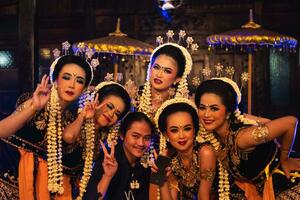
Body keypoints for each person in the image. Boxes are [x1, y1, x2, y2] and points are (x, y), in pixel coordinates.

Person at [0, 55, 93, 199]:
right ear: (55, 80)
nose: (72, 85)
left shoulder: (70, 120)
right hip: (7, 187)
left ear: (84, 89)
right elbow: (2, 130)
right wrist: (34, 107)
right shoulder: (33, 101)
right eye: (66, 77)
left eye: (79, 81)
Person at [194, 77, 300, 199]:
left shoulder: (242, 138)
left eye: (214, 108)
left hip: (284, 181)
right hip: (253, 187)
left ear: (228, 112)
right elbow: (268, 121)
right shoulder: (214, 133)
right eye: (202, 108)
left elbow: (290, 122)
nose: (206, 114)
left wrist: (284, 158)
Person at [62, 81, 131, 199]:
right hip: (56, 184)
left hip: (79, 192)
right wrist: (82, 116)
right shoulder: (73, 117)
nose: (111, 114)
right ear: (97, 100)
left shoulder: (106, 139)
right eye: (109, 106)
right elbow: (68, 137)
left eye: (117, 113)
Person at [151, 98, 216, 200]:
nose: (181, 136)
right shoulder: (169, 158)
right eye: (174, 130)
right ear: (166, 134)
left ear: (194, 130)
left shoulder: (205, 153)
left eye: (187, 129)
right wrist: (162, 179)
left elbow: (204, 197)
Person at [83, 111, 156, 200]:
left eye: (146, 138)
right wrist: (107, 176)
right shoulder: (109, 159)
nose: (141, 143)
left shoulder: (150, 164)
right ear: (122, 135)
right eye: (135, 136)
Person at [137, 42, 192, 120]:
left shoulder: (183, 107)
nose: (159, 75)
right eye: (156, 67)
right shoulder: (134, 100)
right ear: (149, 68)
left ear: (177, 78)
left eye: (167, 71)